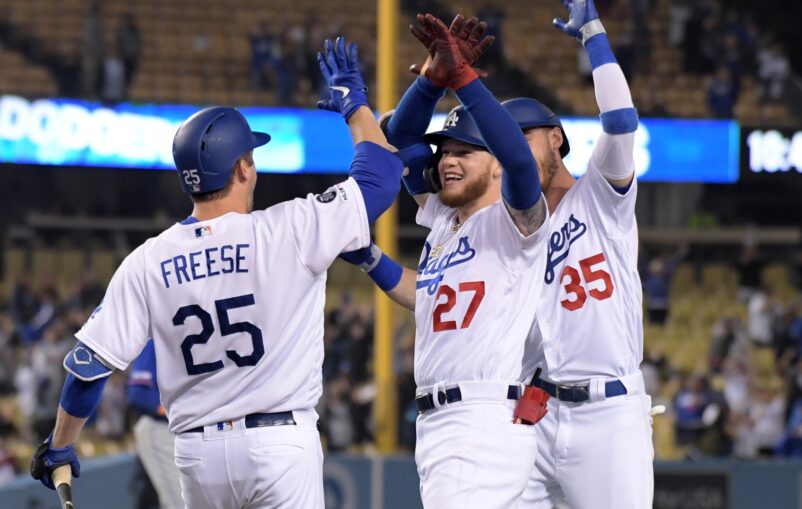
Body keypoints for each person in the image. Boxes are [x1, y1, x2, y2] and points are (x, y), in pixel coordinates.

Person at [30, 36, 406, 509]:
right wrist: (355, 107)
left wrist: (61, 444)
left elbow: (88, 368)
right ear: (244, 168)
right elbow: (381, 176)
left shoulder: (148, 259)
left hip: (197, 455)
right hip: (278, 443)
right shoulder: (287, 228)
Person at [342, 14, 550, 508]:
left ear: (494, 162)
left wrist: (463, 81)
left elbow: (521, 160)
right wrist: (431, 80)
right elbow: (401, 139)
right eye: (446, 152)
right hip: (444, 423)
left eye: (466, 152)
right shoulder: (441, 218)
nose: (448, 161)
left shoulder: (516, 220)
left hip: (479, 419)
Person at [514, 1, 653, 507]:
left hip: (609, 413)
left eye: (522, 139)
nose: (513, 154)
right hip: (538, 410)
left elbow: (619, 119)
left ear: (556, 139)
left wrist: (594, 36)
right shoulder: (514, 226)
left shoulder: (600, 194)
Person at [127, 340, 183, 509]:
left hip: (197, 432)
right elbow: (139, 393)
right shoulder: (158, 341)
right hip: (161, 429)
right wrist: (172, 411)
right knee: (182, 502)